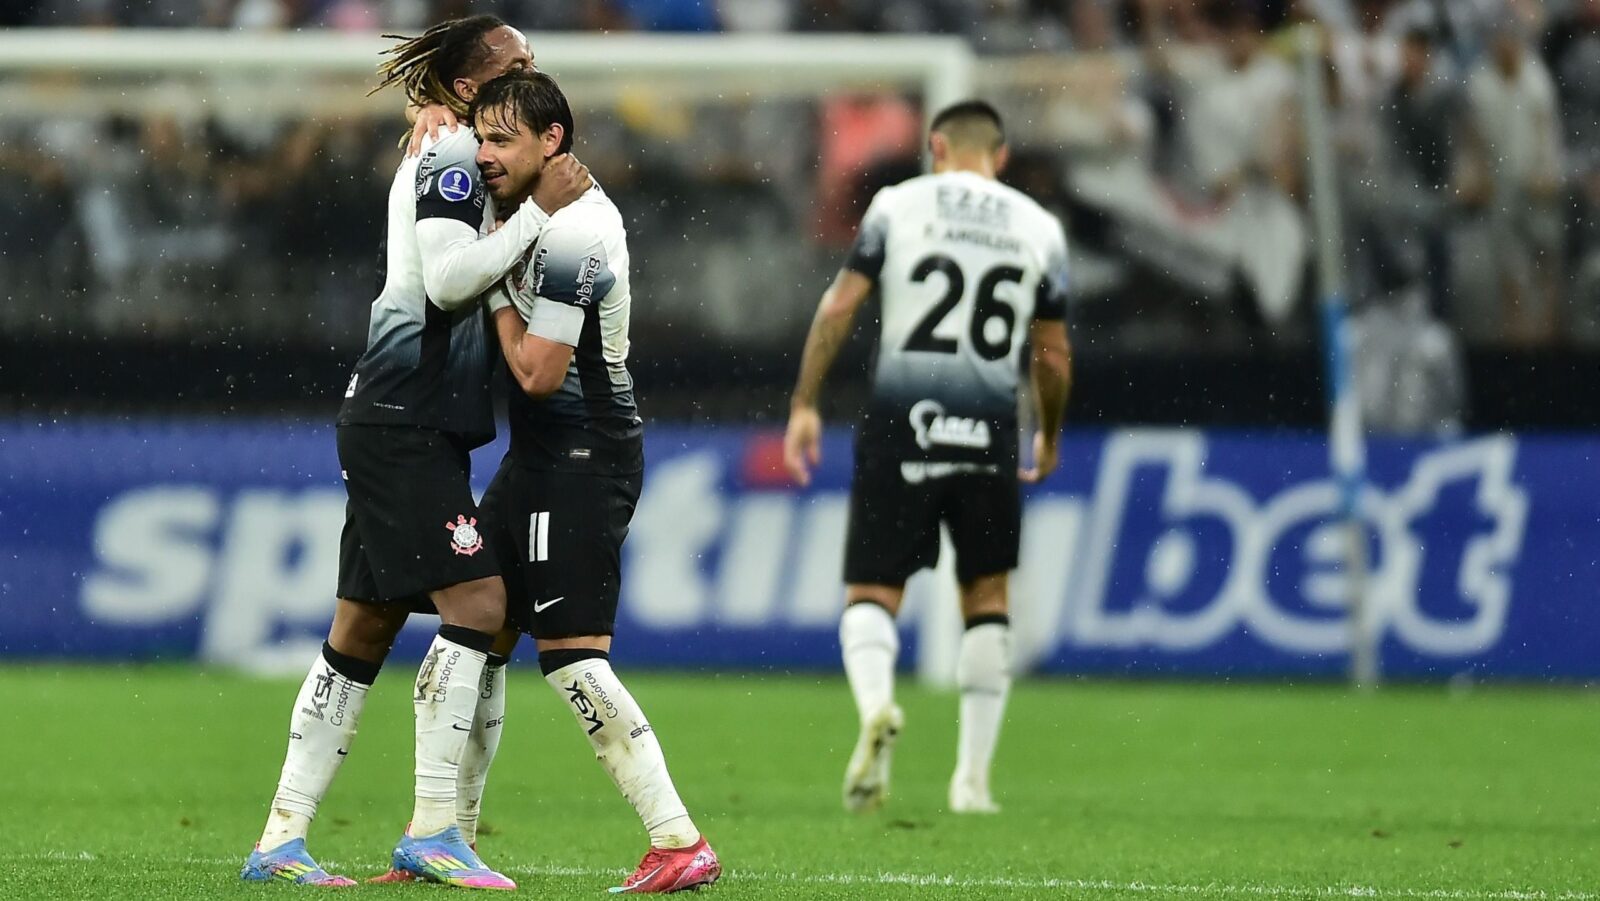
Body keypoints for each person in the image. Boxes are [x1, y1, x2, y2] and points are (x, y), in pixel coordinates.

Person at [240, 16, 589, 889]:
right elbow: (445, 279)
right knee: (479, 602)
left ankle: (280, 839)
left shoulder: (465, 146)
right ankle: (433, 826)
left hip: (406, 415)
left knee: (361, 628)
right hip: (404, 413)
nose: (533, 70)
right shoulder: (453, 155)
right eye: (516, 63)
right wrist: (538, 211)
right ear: (470, 89)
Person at [468, 70, 722, 894]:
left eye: (502, 139)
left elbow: (537, 372)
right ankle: (447, 839)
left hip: (583, 454)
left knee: (572, 658)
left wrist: (490, 286)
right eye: (480, 137)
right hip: (537, 455)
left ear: (553, 142)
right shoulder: (524, 214)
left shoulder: (579, 228)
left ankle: (678, 838)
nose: (485, 154)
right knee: (471, 639)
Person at [782, 100, 1073, 815]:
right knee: (987, 596)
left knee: (873, 590)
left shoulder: (898, 204)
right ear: (1000, 157)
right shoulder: (1039, 227)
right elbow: (1052, 353)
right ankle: (972, 781)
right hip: (989, 427)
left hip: (901, 420)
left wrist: (805, 401)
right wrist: (1049, 431)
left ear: (936, 146)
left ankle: (877, 707)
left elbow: (840, 306)